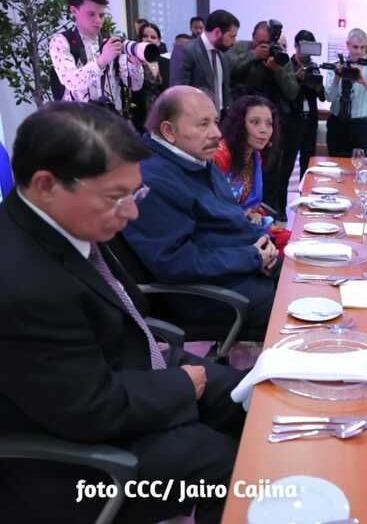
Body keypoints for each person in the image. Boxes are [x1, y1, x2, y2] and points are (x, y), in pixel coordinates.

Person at [0, 101, 246, 523]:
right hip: (68, 463)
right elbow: (89, 410)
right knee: (234, 466)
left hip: (129, 375)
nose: (132, 212)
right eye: (117, 198)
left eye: (136, 194)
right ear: (46, 185)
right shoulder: (22, 284)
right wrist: (180, 385)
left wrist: (179, 375)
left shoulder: (66, 223)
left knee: (251, 401)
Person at [122, 86, 280, 340]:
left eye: (215, 122)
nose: (217, 133)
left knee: (307, 278)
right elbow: (175, 262)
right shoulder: (152, 181)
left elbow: (233, 219)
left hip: (238, 269)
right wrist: (252, 257)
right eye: (203, 124)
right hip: (205, 294)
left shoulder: (198, 160)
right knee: (296, 309)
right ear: (169, 131)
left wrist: (264, 242)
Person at [228, 21, 299, 219]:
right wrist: (253, 56)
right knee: (240, 168)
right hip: (240, 119)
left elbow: (292, 91)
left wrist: (278, 70)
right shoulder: (241, 48)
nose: (264, 47)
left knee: (271, 169)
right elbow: (228, 71)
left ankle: (269, 213)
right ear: (252, 37)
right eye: (259, 42)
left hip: (271, 120)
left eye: (267, 43)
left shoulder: (279, 55)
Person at [213, 95, 291, 254]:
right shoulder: (219, 156)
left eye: (269, 124)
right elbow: (211, 209)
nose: (264, 130)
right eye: (255, 122)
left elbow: (251, 205)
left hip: (246, 226)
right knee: (290, 250)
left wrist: (254, 213)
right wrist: (242, 216)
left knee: (296, 242)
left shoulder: (255, 156)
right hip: (223, 234)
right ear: (239, 124)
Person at [49, 0, 144, 114]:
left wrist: (134, 65)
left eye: (101, 15)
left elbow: (135, 85)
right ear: (74, 11)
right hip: (76, 119)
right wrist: (102, 61)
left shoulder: (111, 41)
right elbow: (71, 82)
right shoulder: (61, 41)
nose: (98, 20)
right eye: (91, 14)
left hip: (109, 118)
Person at [325, 28, 367, 157]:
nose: (359, 51)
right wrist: (337, 78)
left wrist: (364, 81)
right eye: (355, 47)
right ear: (347, 45)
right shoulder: (335, 66)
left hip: (359, 125)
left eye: (362, 47)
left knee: (359, 163)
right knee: (335, 162)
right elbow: (329, 97)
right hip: (337, 122)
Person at [170, 9, 239, 116]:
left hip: (222, 118)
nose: (234, 41)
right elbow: (179, 94)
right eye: (232, 36)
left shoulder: (223, 53)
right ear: (217, 32)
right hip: (197, 119)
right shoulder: (185, 50)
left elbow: (225, 90)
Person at [291, 29, 326, 179]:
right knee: (286, 164)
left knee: (308, 165)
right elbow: (286, 92)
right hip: (292, 120)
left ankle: (304, 191)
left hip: (310, 120)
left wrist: (317, 87)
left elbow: (322, 97)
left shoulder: (314, 67)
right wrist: (296, 78)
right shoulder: (288, 65)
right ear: (296, 45)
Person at [131, 22, 169, 133]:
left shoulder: (165, 62)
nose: (149, 39)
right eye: (145, 36)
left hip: (162, 115)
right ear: (139, 39)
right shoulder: (133, 61)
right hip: (140, 115)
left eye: (153, 37)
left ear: (159, 41)